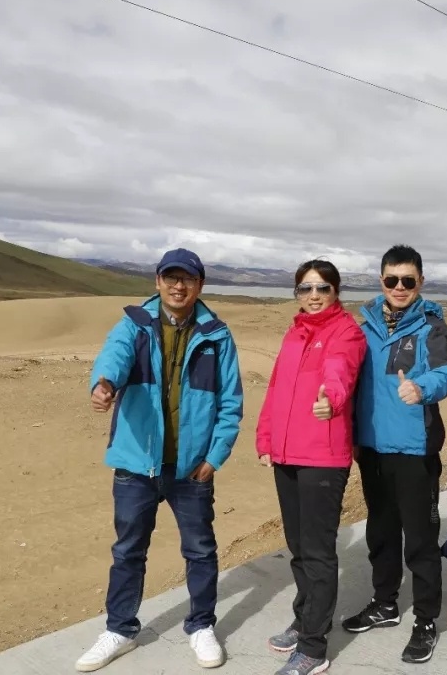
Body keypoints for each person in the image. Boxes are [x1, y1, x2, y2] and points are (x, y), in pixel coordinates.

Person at [77, 248, 244, 673]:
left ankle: (201, 625)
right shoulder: (134, 326)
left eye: (187, 278)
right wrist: (104, 383)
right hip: (137, 465)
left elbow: (230, 403)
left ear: (199, 285)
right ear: (157, 281)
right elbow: (114, 356)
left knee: (200, 551)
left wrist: (214, 457)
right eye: (170, 277)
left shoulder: (216, 336)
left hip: (191, 469)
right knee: (128, 551)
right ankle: (120, 629)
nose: (178, 285)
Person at [340, 244, 447, 665]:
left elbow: (446, 375)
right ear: (381, 281)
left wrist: (421, 387)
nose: (400, 287)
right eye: (392, 279)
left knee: (421, 540)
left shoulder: (432, 327)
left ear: (420, 281)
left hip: (414, 449)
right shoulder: (365, 327)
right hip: (372, 448)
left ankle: (426, 620)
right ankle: (384, 603)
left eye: (409, 280)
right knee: (381, 532)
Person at [256, 260, 368, 675]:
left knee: (318, 553)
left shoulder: (346, 333)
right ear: (297, 293)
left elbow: (340, 372)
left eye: (322, 288)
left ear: (336, 292)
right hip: (286, 455)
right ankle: (305, 619)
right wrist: (266, 438)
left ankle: (313, 648)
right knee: (299, 548)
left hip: (322, 456)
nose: (314, 295)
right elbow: (276, 389)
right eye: (305, 288)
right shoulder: (295, 333)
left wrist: (332, 400)